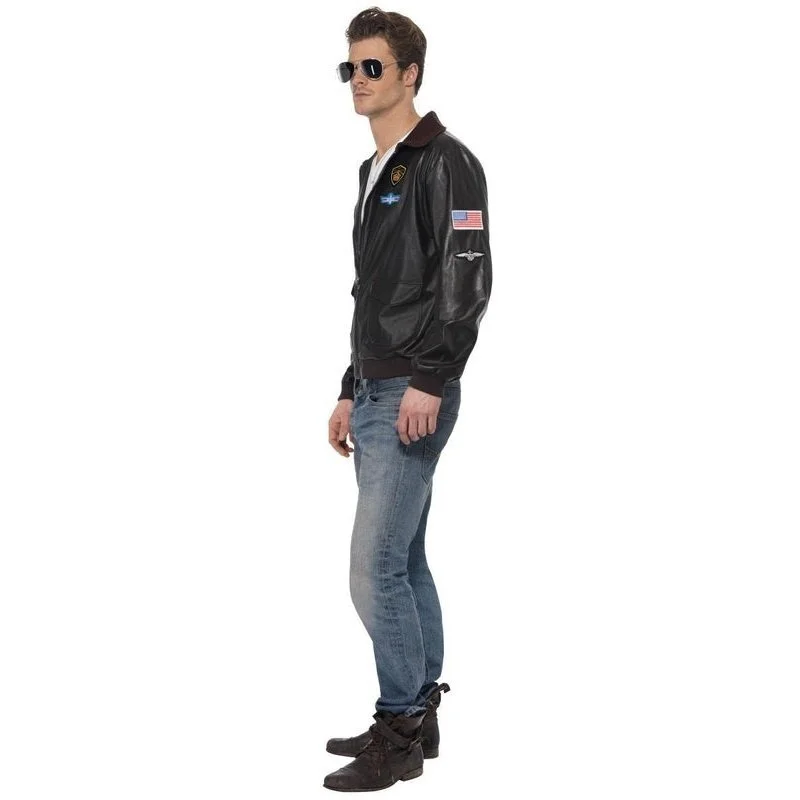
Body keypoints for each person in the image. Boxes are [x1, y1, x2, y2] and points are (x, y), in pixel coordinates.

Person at [324, 7, 492, 792]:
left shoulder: (446, 161)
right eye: (350, 68)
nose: (358, 81)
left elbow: (467, 278)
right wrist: (348, 387)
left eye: (373, 67)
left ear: (410, 73)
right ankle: (417, 716)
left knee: (373, 569)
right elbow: (372, 294)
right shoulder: (374, 171)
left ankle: (398, 730)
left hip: (414, 389)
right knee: (405, 559)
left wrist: (431, 377)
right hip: (377, 385)